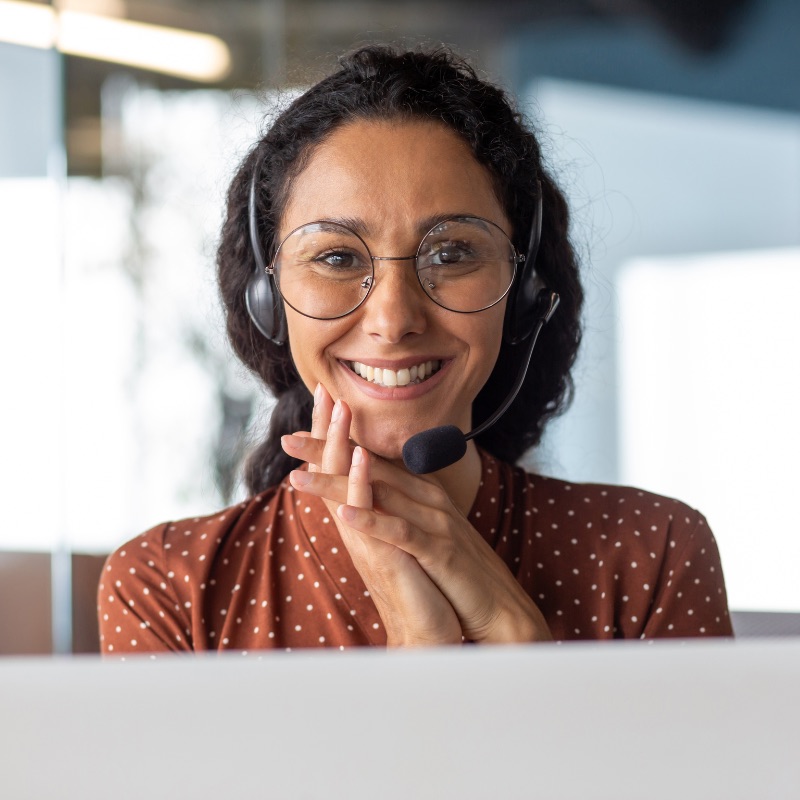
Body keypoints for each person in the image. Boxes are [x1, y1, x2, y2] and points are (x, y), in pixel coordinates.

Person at [97, 45, 732, 654]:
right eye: (337, 257)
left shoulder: (649, 552)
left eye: (452, 253)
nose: (394, 318)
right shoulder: (167, 589)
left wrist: (518, 638)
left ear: (526, 292)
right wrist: (426, 652)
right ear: (269, 297)